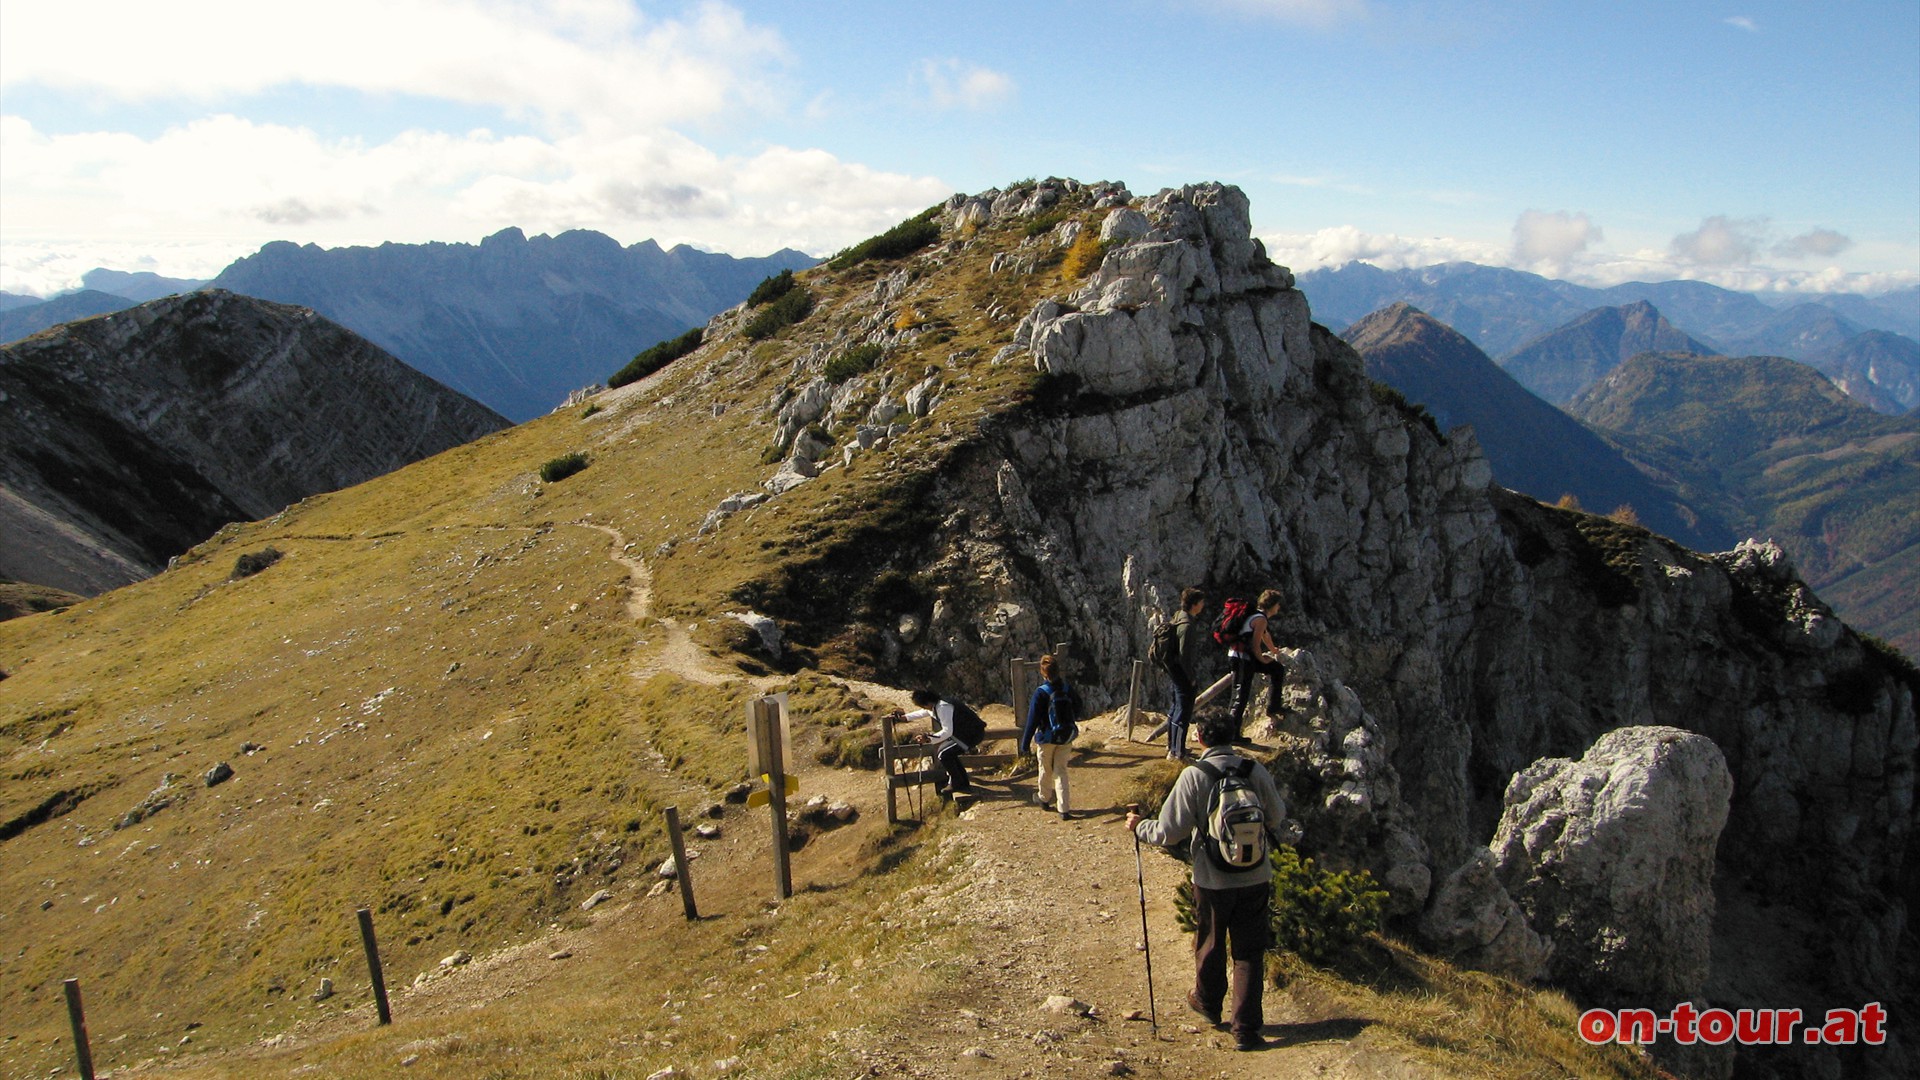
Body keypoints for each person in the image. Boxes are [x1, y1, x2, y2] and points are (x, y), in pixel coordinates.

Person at [1126, 708, 1287, 1052]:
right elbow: (1276, 816)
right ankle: (1246, 1029)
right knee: (1249, 951)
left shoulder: (1194, 776)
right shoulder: (1253, 769)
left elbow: (1170, 831)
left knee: (1211, 941)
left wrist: (1139, 826)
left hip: (1213, 877)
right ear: (1233, 735)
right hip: (1256, 874)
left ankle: (1208, 1002)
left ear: (1199, 737)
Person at [1019, 654, 1079, 819]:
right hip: (1066, 736)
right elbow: (1079, 707)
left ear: (1043, 673)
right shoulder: (1067, 688)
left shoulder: (1041, 693)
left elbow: (1032, 721)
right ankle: (1064, 809)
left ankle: (1044, 799)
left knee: (1045, 769)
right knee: (1061, 771)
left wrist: (1025, 744)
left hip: (1047, 738)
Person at [902, 689, 984, 805]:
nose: (925, 709)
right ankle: (962, 782)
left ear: (927, 703)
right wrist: (905, 717)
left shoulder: (943, 707)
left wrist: (928, 738)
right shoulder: (938, 704)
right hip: (965, 733)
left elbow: (947, 731)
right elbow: (923, 713)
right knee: (947, 753)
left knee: (944, 754)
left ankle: (957, 783)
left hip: (971, 734)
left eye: (924, 706)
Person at [1225, 589, 1287, 741]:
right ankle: (1232, 735)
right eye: (1278, 604)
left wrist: (1273, 650)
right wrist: (1263, 659)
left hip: (1243, 657)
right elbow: (1255, 645)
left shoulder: (1257, 616)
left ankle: (1274, 706)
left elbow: (1265, 636)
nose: (1279, 608)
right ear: (1272, 605)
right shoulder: (1260, 619)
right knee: (1240, 696)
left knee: (1277, 669)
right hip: (1241, 659)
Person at [1160, 588, 1207, 759]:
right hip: (1182, 673)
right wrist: (1192, 678)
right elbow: (1184, 656)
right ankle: (1177, 752)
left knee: (1175, 709)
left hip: (1174, 671)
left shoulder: (1178, 616)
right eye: (1201, 602)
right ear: (1194, 604)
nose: (1203, 605)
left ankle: (1173, 746)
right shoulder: (1187, 626)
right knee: (1183, 712)